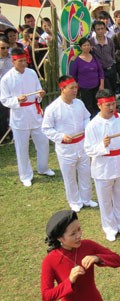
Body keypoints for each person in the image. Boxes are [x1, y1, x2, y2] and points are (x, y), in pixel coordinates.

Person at [41, 210, 120, 301]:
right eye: (73, 234)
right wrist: (69, 281)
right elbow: (47, 296)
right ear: (60, 238)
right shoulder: (51, 260)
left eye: (79, 229)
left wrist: (97, 258)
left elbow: (118, 260)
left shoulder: (88, 246)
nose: (79, 235)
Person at [84, 89, 120, 241]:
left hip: (119, 162)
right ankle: (109, 228)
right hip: (103, 167)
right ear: (99, 105)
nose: (112, 107)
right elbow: (88, 149)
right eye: (108, 105)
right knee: (105, 200)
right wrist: (102, 146)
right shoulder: (93, 125)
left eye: (113, 103)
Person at [42, 75, 98, 212]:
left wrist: (87, 127)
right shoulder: (53, 108)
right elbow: (46, 128)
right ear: (63, 89)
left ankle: (86, 198)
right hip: (66, 148)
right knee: (70, 176)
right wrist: (60, 136)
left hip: (82, 144)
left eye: (76, 87)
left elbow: (86, 117)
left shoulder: (79, 103)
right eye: (71, 88)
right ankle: (74, 201)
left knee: (85, 172)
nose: (75, 90)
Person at [0, 47, 54, 187]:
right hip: (19, 116)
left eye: (25, 60)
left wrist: (40, 95)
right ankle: (25, 175)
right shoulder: (6, 79)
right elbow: (4, 100)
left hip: (34, 113)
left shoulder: (31, 73)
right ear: (14, 61)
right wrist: (17, 100)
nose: (24, 63)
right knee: (22, 147)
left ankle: (43, 167)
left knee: (43, 142)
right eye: (20, 61)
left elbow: (37, 90)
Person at [70, 37, 104, 117]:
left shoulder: (94, 57)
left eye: (88, 45)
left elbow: (100, 72)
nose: (87, 47)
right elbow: (73, 75)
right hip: (84, 88)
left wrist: (101, 85)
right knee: (88, 107)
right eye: (84, 45)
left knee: (97, 105)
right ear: (81, 47)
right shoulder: (77, 60)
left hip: (96, 86)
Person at [90, 20, 117, 93]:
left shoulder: (110, 41)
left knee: (113, 90)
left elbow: (112, 54)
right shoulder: (91, 42)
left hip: (111, 68)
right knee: (104, 92)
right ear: (94, 30)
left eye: (102, 28)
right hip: (99, 71)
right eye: (98, 29)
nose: (101, 31)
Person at [0, 36, 13, 143]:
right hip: (1, 90)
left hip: (13, 89)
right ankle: (3, 136)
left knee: (12, 112)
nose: (5, 50)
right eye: (2, 48)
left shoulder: (12, 58)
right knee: (2, 114)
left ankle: (12, 134)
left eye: (7, 47)